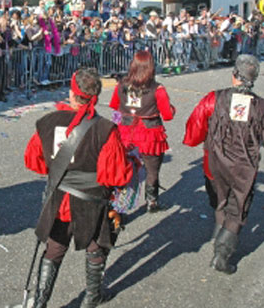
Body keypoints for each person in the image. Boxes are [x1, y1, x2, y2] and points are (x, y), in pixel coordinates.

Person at [24, 68, 133, 308]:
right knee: (96, 245)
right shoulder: (106, 129)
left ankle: (40, 301)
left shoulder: (47, 122)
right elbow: (114, 175)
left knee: (54, 247)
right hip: (91, 201)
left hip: (59, 199)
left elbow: (34, 161)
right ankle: (92, 298)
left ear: (73, 94)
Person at [183, 54, 264, 274]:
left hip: (214, 162)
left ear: (234, 76)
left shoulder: (213, 99)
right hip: (243, 167)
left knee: (220, 201)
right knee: (237, 208)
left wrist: (194, 139)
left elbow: (194, 128)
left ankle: (220, 239)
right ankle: (221, 255)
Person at [109, 51, 176, 212]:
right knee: (152, 169)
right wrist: (172, 108)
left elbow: (114, 105)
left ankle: (119, 203)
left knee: (123, 167)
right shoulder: (157, 88)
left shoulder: (121, 85)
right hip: (149, 131)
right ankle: (152, 202)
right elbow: (167, 115)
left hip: (125, 128)